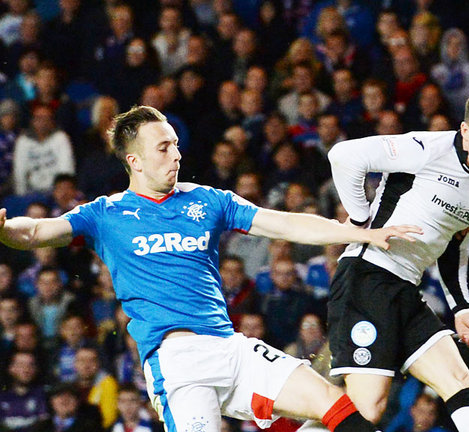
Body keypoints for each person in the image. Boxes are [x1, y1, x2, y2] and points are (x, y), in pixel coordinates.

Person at [0, 105, 422, 432]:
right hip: (177, 362)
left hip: (230, 347)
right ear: (135, 161)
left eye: (176, 144)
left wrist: (356, 233)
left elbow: (284, 222)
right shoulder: (105, 214)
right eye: (163, 148)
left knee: (339, 407)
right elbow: (36, 231)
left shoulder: (207, 199)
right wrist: (4, 227)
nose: (177, 154)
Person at [326, 87, 469, 431]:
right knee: (367, 410)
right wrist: (358, 223)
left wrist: (461, 308)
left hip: (406, 290)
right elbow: (344, 156)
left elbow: (454, 245)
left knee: (460, 381)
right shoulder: (426, 149)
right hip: (367, 279)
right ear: (465, 131)